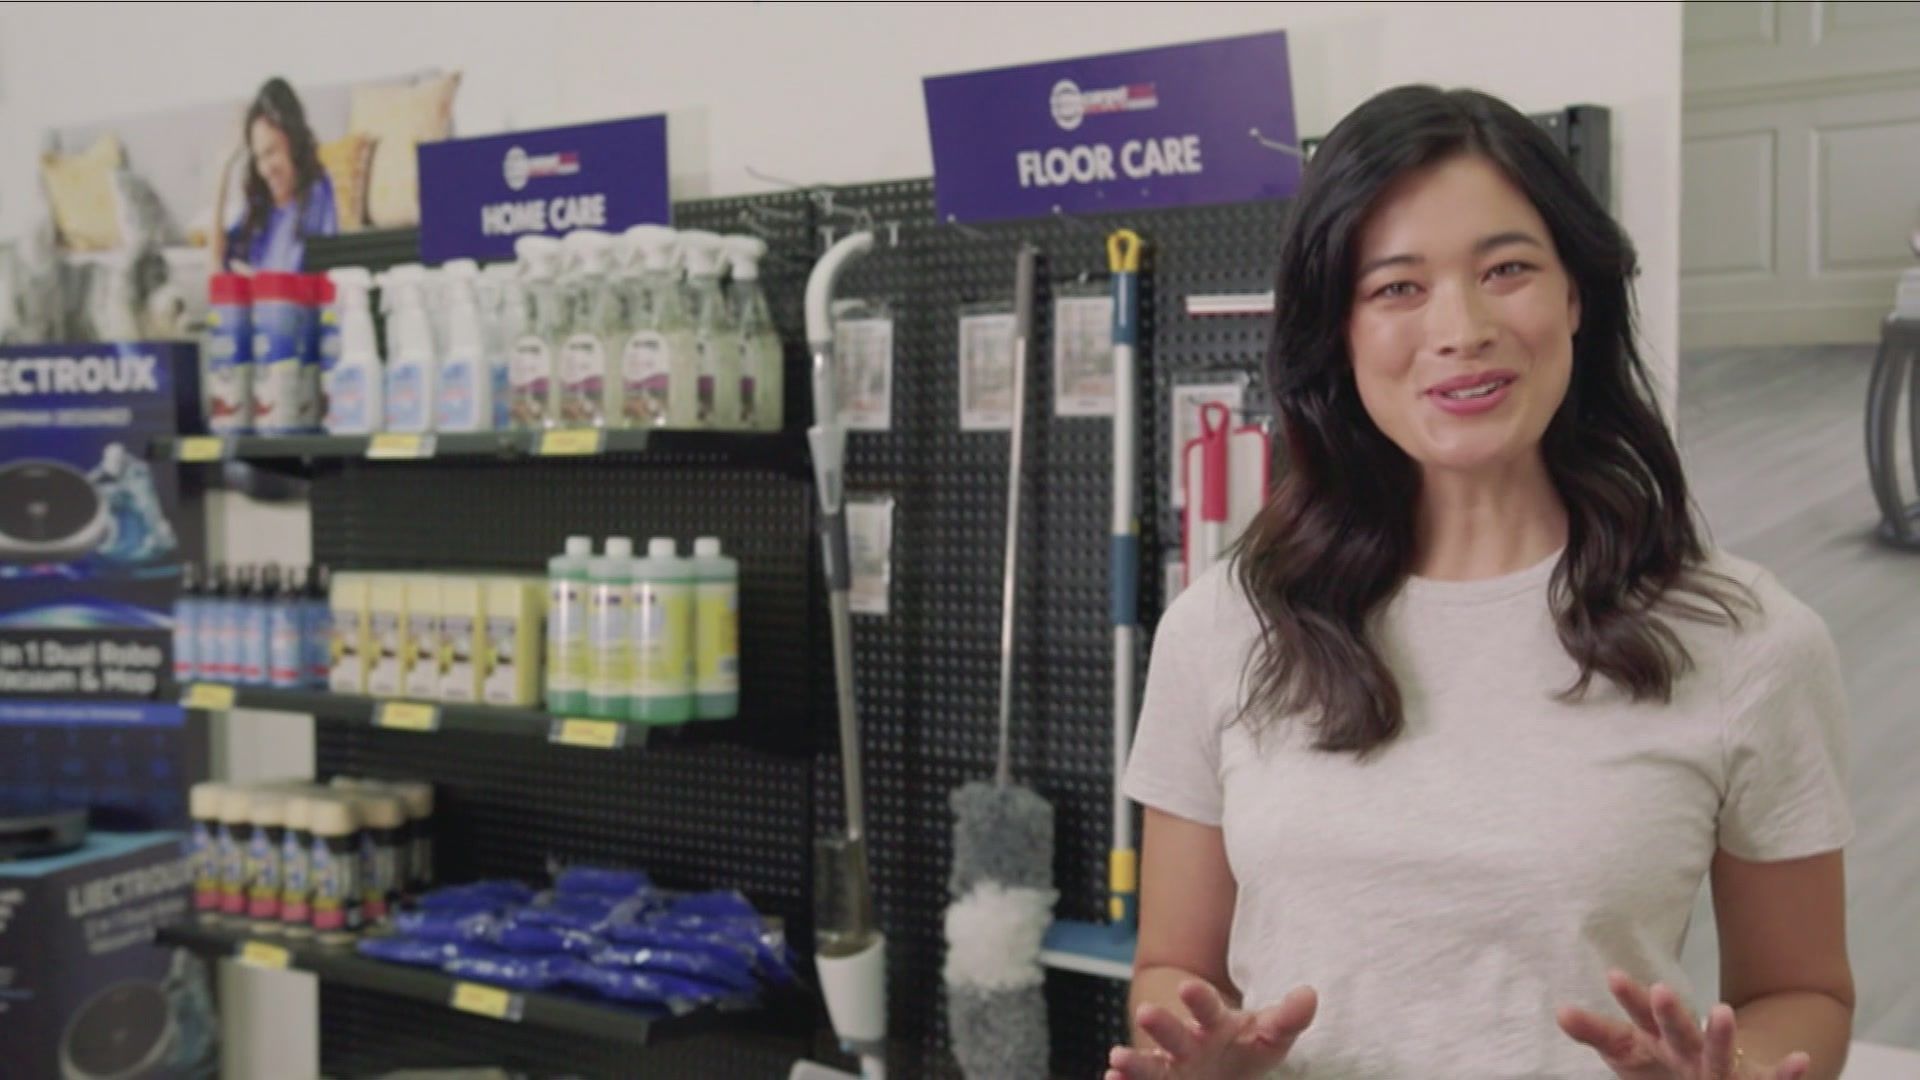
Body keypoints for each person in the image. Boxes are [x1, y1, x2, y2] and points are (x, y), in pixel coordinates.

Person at [1108, 86, 1854, 1080]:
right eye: (1397, 287)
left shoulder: (1749, 641)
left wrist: (1745, 1072)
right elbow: (1173, 969)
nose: (1461, 327)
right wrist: (1197, 1059)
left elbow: (1803, 991)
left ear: (1575, 294)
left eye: (1507, 270)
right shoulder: (1222, 628)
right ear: (1338, 328)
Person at [214, 77, 336, 272]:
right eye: (258, 157)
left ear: (293, 143)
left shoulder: (317, 191)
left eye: (271, 152)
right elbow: (216, 268)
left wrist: (258, 281)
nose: (265, 169)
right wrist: (224, 169)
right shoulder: (260, 204)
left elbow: (316, 273)